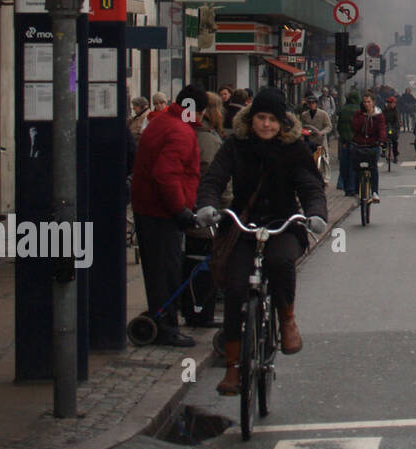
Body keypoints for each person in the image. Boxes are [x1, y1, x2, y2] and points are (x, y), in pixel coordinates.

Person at [194, 88, 328, 395]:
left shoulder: (294, 149)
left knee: (280, 262)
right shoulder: (235, 145)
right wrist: (207, 205)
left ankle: (287, 320)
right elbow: (214, 177)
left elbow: (311, 186)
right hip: (243, 224)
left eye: (272, 120)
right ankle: (233, 368)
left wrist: (316, 214)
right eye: (261, 118)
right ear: (251, 119)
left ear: (282, 123)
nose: (265, 125)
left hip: (284, 223)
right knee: (235, 286)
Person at [130, 85, 207, 347]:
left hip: (146, 208)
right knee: (167, 271)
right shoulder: (180, 132)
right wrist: (180, 210)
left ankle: (160, 318)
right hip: (162, 213)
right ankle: (166, 328)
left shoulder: (162, 121)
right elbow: (167, 174)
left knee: (157, 271)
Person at [182, 91, 228, 327]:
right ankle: (200, 313)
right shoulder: (207, 139)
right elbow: (212, 177)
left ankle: (197, 310)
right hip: (206, 212)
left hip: (198, 208)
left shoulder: (202, 135)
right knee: (202, 262)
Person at [350, 92, 387, 203]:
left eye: (369, 102)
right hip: (359, 144)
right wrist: (364, 115)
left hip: (372, 144)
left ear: (373, 102)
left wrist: (382, 140)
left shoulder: (379, 115)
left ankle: (375, 192)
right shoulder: (358, 114)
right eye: (364, 102)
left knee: (373, 168)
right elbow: (355, 127)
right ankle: (357, 192)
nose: (366, 104)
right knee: (356, 169)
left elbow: (382, 128)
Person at [335, 87, 362, 194]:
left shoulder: (344, 109)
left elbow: (339, 126)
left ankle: (346, 187)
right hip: (356, 142)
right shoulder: (360, 110)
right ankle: (354, 187)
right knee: (355, 166)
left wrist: (343, 137)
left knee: (345, 165)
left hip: (345, 141)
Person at [382, 95, 401, 163]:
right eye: (392, 103)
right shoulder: (384, 110)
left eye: (394, 103)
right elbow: (382, 119)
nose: (393, 104)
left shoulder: (396, 111)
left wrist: (397, 126)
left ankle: (395, 156)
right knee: (383, 138)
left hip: (394, 127)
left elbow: (398, 120)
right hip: (386, 126)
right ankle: (384, 151)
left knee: (394, 141)